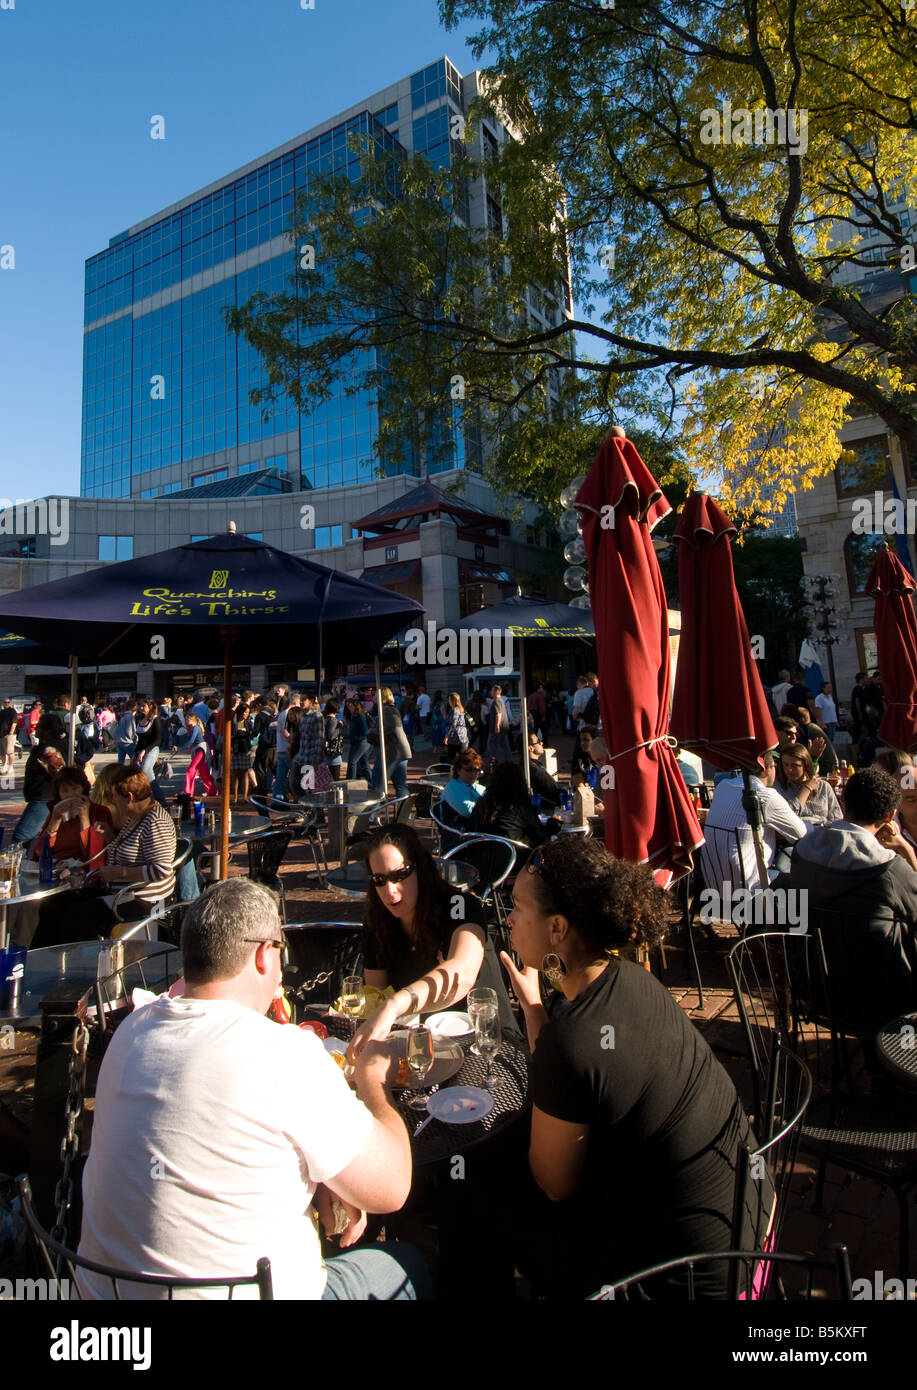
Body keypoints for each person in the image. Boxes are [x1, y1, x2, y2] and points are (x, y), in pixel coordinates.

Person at [77, 878, 427, 1301]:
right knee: (408, 1263)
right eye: (282, 953)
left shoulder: (132, 1031)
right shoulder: (284, 1053)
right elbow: (392, 1187)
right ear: (265, 955)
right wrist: (373, 1081)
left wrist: (323, 1184)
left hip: (107, 1315)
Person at [500, 835, 769, 1298]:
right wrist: (533, 1006)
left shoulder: (573, 1040)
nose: (508, 918)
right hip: (750, 1222)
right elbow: (584, 1068)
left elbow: (554, 1183)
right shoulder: (632, 978)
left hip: (685, 1279)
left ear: (558, 928)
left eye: (518, 907)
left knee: (496, 1194)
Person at [773, 768, 917, 1030]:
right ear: (889, 817)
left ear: (842, 803)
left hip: (815, 986)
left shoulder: (804, 852)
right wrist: (907, 850)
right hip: (882, 998)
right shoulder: (891, 869)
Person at [350, 824, 516, 1044]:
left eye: (400, 875)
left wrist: (394, 1005)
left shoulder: (458, 904)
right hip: (420, 1044)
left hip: (486, 1042)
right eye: (379, 880)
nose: (390, 890)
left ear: (421, 869)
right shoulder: (376, 921)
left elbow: (460, 974)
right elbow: (375, 996)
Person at [702, 751, 808, 894]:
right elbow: (802, 834)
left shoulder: (723, 787)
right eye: (775, 766)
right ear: (766, 769)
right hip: (750, 889)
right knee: (807, 886)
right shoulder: (765, 796)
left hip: (712, 886)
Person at [32, 764, 113, 864]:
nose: (70, 794)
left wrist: (84, 818)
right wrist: (55, 821)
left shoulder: (99, 812)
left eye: (74, 789)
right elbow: (39, 852)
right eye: (65, 791)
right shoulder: (56, 811)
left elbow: (93, 855)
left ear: (83, 788)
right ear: (59, 794)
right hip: (55, 866)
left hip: (82, 869)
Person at [11, 721, 67, 845]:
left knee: (21, 838)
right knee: (28, 837)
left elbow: (62, 773)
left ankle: (19, 863)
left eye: (39, 727)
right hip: (44, 796)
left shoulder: (49, 749)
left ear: (47, 730)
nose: (36, 729)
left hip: (44, 797)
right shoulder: (46, 746)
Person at [470, 761, 550, 848]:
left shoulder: (481, 804)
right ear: (521, 783)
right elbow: (541, 837)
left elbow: (471, 830)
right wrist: (553, 824)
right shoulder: (520, 806)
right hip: (514, 857)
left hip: (480, 857)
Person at [774, 743, 842, 826]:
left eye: (795, 765)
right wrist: (807, 788)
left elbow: (837, 818)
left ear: (805, 765)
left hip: (824, 832)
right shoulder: (778, 788)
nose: (789, 770)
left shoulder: (823, 787)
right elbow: (788, 818)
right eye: (785, 764)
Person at [371, 688, 410, 799]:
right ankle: (404, 811)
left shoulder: (385, 710)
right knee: (400, 785)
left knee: (378, 785)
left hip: (390, 751)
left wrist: (373, 730)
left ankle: (373, 813)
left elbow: (388, 728)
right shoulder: (394, 709)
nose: (373, 697)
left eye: (375, 695)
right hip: (401, 751)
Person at [439, 748, 486, 820]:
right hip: (456, 829)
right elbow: (468, 812)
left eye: (477, 770)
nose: (473, 774)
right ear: (458, 770)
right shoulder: (452, 787)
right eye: (469, 770)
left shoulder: (479, 788)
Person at [527, 733, 562, 808]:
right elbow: (553, 790)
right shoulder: (534, 769)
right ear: (530, 748)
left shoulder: (533, 765)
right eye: (538, 742)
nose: (542, 743)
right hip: (547, 808)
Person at [345, 696, 372, 783]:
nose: (349, 707)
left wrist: (356, 738)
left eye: (351, 705)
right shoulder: (352, 717)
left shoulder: (361, 716)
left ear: (355, 706)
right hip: (357, 742)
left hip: (362, 741)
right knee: (364, 763)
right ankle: (371, 782)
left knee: (352, 761)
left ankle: (350, 781)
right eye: (347, 705)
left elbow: (365, 730)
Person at [486, 684, 512, 764]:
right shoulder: (501, 700)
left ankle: (494, 761)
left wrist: (497, 725)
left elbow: (498, 713)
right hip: (504, 727)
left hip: (497, 728)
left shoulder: (496, 701)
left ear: (496, 691)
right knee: (505, 746)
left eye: (492, 690)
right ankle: (508, 761)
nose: (490, 692)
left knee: (491, 745)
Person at [322, 699, 345, 782]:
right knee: (335, 779)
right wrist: (339, 727)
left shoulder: (324, 718)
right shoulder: (333, 720)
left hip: (325, 752)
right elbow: (331, 736)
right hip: (333, 754)